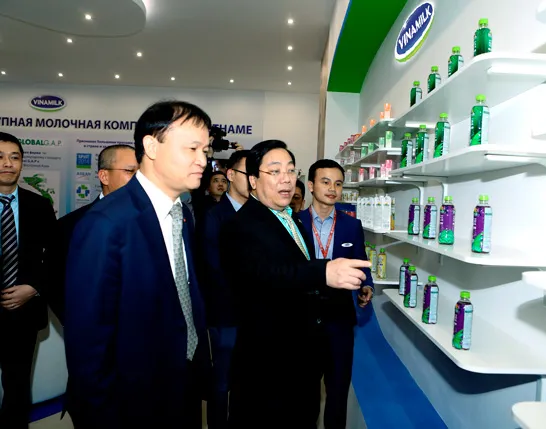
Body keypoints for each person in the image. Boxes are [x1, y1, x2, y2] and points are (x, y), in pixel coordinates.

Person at [64, 101, 212, 429]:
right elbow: (88, 340)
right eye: (192, 148)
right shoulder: (107, 222)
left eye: (206, 150)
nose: (203, 160)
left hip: (181, 384)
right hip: (130, 401)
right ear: (151, 146)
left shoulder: (183, 214)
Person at [220, 140, 370, 429]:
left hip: (300, 356)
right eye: (275, 171)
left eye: (291, 170)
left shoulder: (290, 220)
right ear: (253, 180)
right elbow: (264, 274)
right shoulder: (242, 225)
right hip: (268, 363)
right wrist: (324, 272)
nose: (287, 179)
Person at [298, 159, 373, 429]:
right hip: (302, 319)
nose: (332, 189)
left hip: (339, 318)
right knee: (304, 394)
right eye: (325, 182)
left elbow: (361, 263)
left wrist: (366, 286)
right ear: (311, 185)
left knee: (338, 392)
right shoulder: (294, 223)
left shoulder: (351, 226)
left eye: (338, 184)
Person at [0, 132, 56, 429]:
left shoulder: (40, 206)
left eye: (14, 157)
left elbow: (56, 258)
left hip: (22, 315)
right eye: (0, 157)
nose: (7, 164)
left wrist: (34, 287)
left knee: (17, 388)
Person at [48, 144, 137, 325]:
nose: (138, 180)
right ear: (104, 176)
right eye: (130, 171)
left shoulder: (155, 221)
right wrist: (78, 325)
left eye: (141, 173)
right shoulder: (71, 225)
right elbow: (55, 282)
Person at [201, 149, 250, 429]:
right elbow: (213, 267)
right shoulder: (214, 215)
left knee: (248, 381)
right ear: (230, 174)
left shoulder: (261, 214)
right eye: (247, 173)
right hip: (226, 314)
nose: (253, 179)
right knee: (222, 382)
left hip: (256, 315)